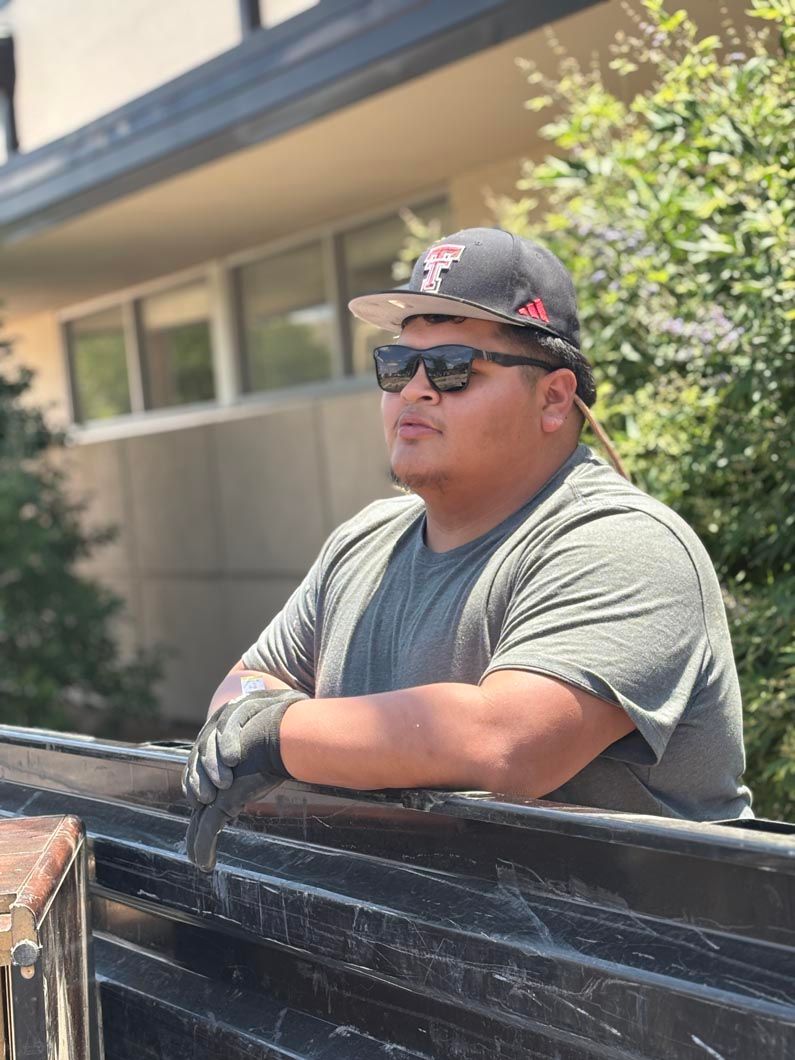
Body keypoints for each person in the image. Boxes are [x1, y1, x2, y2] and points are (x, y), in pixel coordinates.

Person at [183, 227, 752, 870]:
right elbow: (245, 691)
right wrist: (259, 722)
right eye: (396, 366)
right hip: (411, 944)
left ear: (554, 398)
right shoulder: (361, 543)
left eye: (452, 368)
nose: (414, 390)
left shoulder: (622, 544)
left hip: (638, 958)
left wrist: (276, 734)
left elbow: (507, 744)